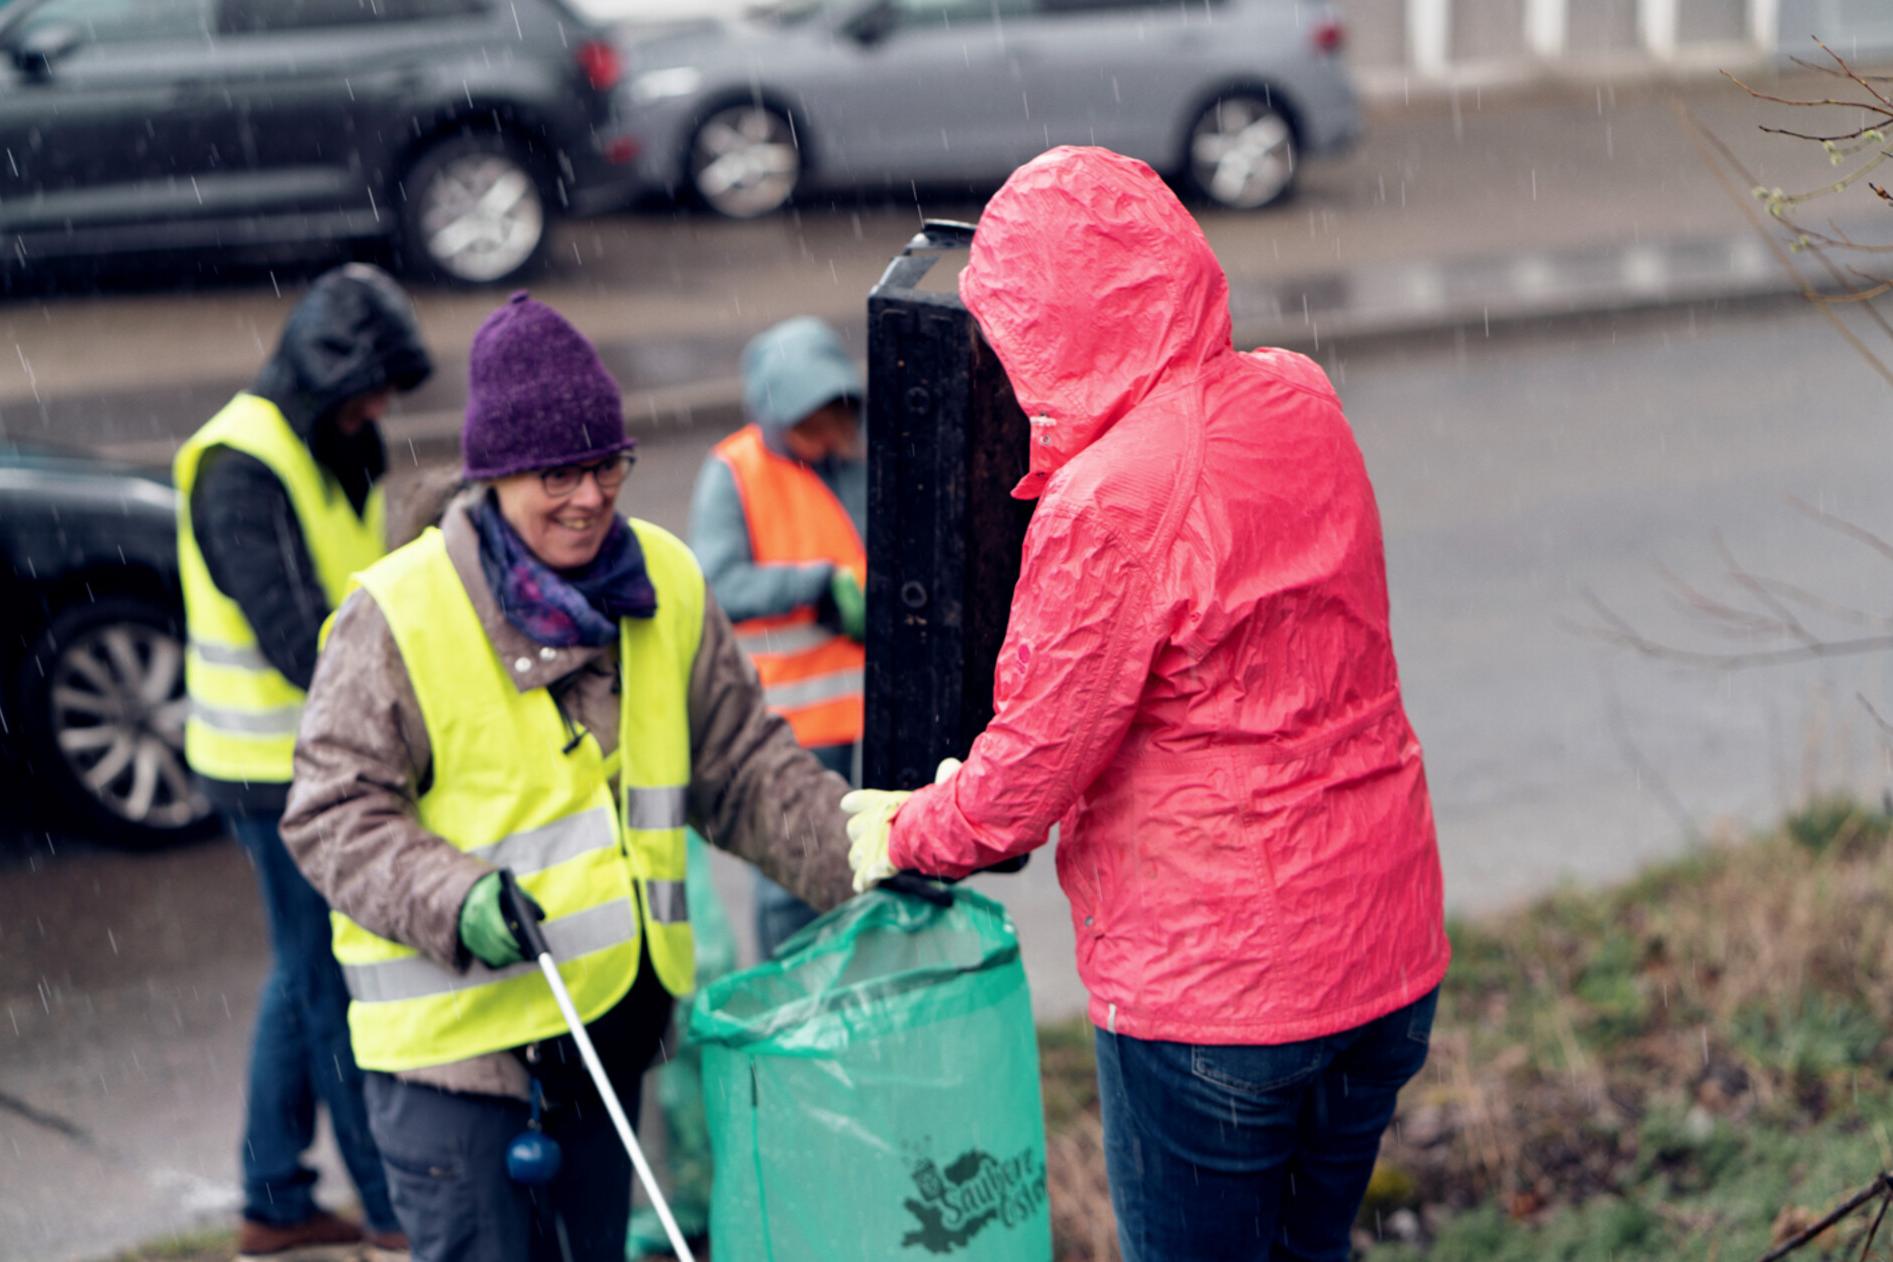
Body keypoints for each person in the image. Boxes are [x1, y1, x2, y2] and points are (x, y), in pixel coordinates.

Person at [842, 147, 1451, 1262]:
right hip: (1387, 954)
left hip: (1220, 998)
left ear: (1043, 331)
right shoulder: (1298, 395)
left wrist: (902, 827)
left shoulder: (1109, 499)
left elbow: (1022, 782)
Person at [279, 292, 856, 1261]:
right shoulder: (400, 610)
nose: (588, 496)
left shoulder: (665, 582)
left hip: (607, 1043)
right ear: (495, 475)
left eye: (606, 465)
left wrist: (875, 850)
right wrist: (455, 896)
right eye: (557, 472)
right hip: (458, 1069)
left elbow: (746, 769)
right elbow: (330, 811)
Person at [175, 262, 429, 1259]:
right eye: (369, 391)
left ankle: (274, 1195)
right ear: (325, 377)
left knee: (303, 972)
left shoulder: (333, 437)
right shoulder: (237, 462)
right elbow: (292, 631)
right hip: (270, 768)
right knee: (327, 981)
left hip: (318, 758)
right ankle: (386, 1208)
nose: (380, 411)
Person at [688, 316, 867, 958]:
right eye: (807, 420)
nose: (823, 436)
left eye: (832, 417)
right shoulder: (735, 471)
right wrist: (816, 587)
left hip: (867, 717)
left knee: (871, 870)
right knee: (793, 882)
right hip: (792, 722)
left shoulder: (857, 456)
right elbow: (716, 582)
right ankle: (796, 1006)